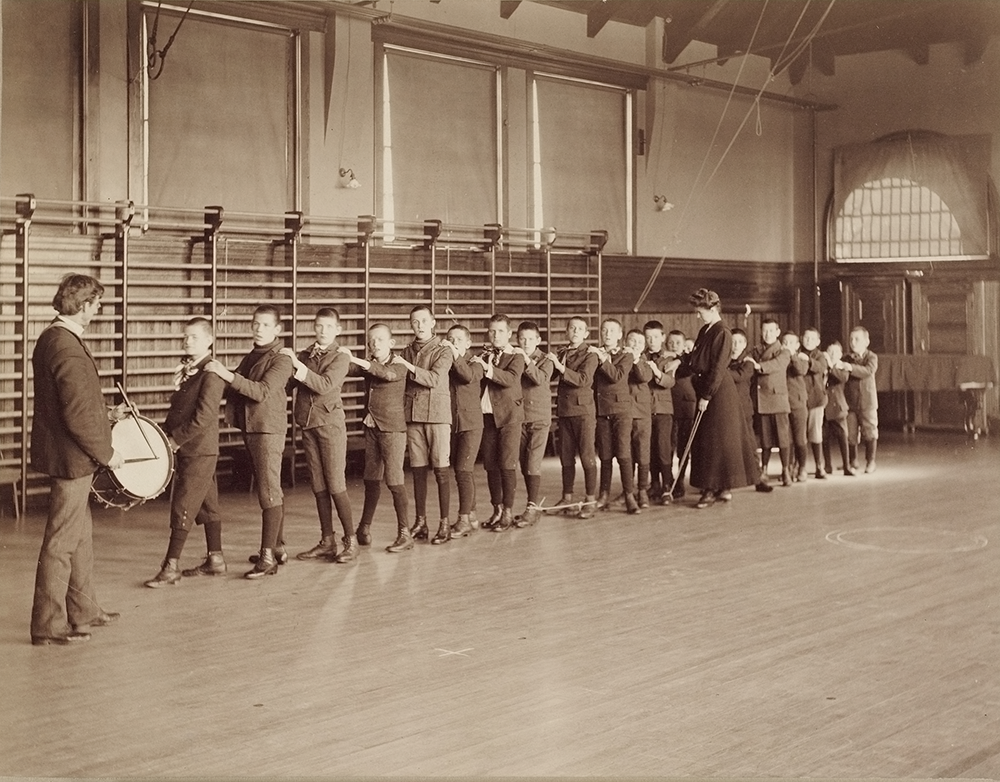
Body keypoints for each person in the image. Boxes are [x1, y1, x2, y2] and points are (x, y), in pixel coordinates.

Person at [30, 273, 124, 645]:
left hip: (67, 454)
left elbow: (76, 404)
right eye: (97, 304)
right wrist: (108, 453)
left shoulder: (55, 338)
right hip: (72, 458)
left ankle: (85, 611)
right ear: (84, 306)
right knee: (61, 542)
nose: (98, 309)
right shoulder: (65, 345)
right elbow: (75, 414)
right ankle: (47, 625)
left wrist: (106, 416)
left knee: (79, 537)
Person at [206, 304, 293, 579]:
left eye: (265, 325)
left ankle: (268, 558)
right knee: (270, 488)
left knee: (268, 491)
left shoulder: (281, 359)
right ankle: (277, 547)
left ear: (278, 330)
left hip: (267, 429)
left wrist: (224, 373)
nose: (258, 329)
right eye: (255, 323)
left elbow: (260, 391)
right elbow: (233, 382)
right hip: (254, 427)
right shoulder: (254, 355)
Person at [144, 317, 228, 587]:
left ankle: (171, 566)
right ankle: (216, 560)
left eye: (193, 337)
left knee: (183, 504)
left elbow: (203, 418)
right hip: (191, 448)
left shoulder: (211, 373)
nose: (187, 341)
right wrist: (162, 434)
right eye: (185, 336)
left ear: (209, 341)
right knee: (207, 504)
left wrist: (175, 441)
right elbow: (179, 411)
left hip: (199, 449)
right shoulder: (188, 370)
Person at [675, 289, 760, 509]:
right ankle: (719, 487)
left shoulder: (723, 332)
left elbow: (718, 368)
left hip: (719, 393)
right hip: (709, 389)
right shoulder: (706, 329)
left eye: (700, 311)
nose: (697, 315)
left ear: (712, 309)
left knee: (717, 442)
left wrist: (706, 396)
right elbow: (697, 359)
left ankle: (713, 490)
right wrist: (679, 361)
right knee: (710, 441)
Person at [282, 308, 355, 564]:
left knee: (336, 484)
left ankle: (350, 541)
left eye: (328, 326)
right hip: (308, 425)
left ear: (338, 329)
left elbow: (324, 385)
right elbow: (288, 383)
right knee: (319, 486)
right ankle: (327, 541)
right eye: (318, 326)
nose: (322, 331)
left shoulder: (340, 357)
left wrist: (296, 365)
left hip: (330, 426)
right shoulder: (305, 354)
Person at [344, 324, 410, 551]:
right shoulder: (368, 365)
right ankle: (364, 527)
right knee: (371, 479)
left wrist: (359, 360)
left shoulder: (399, 365)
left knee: (394, 480)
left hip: (392, 430)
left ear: (391, 343)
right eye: (371, 340)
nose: (375, 344)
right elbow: (347, 369)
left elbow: (387, 374)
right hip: (372, 427)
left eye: (380, 340)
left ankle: (405, 532)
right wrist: (336, 356)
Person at [393, 306, 453, 544]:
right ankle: (421, 522)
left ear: (433, 323)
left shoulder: (443, 350)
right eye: (414, 321)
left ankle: (445, 524)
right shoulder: (407, 350)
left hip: (437, 416)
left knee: (441, 470)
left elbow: (434, 379)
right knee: (418, 470)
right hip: (413, 416)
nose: (419, 325)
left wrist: (407, 367)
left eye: (423, 321)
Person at [474, 314, 525, 533]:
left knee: (506, 464)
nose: (495, 335)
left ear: (509, 334)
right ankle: (496, 509)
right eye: (492, 331)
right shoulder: (483, 354)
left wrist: (487, 369)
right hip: (486, 416)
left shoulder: (517, 356)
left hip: (509, 418)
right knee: (490, 465)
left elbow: (511, 379)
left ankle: (508, 511)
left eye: (500, 331)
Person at [546, 317, 599, 518]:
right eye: (572, 328)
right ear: (566, 331)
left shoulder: (590, 354)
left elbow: (583, 380)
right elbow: (547, 375)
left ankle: (590, 500)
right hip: (565, 411)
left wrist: (560, 367)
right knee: (566, 457)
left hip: (583, 413)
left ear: (586, 334)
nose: (575, 331)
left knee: (586, 456)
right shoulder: (562, 352)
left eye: (580, 329)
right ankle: (567, 498)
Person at [593, 318, 639, 514]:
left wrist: (603, 359)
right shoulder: (594, 355)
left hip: (621, 411)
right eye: (604, 330)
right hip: (602, 411)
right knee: (604, 455)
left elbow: (617, 377)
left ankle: (629, 495)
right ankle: (603, 494)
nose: (607, 334)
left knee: (623, 454)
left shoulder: (626, 355)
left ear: (620, 335)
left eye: (612, 331)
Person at [444, 324, 484, 539]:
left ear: (468, 343)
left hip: (471, 424)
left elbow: (467, 376)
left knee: (463, 470)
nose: (453, 342)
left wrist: (454, 355)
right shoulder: (448, 362)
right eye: (450, 338)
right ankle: (472, 516)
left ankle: (463, 519)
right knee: (462, 471)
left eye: (458, 339)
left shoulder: (475, 362)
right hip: (452, 423)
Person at [513, 321, 553, 528]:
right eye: (522, 339)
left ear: (538, 340)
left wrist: (525, 359)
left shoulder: (546, 359)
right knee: (523, 463)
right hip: (519, 417)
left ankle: (532, 507)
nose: (526, 342)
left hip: (539, 418)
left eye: (530, 339)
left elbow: (539, 378)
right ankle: (533, 505)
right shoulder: (514, 358)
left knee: (532, 463)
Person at [747, 318, 792, 490]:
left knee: (783, 438)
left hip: (778, 400)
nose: (767, 334)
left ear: (778, 332)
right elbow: (747, 361)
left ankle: (785, 470)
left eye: (771, 331)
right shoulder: (756, 350)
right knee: (765, 440)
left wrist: (757, 366)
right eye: (764, 331)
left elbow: (776, 365)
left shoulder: (783, 351)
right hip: (761, 400)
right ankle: (763, 470)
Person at [643, 320, 678, 505]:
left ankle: (667, 487)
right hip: (645, 411)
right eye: (648, 337)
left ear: (663, 337)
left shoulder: (670, 359)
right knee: (649, 449)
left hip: (663, 411)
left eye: (656, 337)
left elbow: (669, 381)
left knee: (664, 448)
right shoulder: (641, 357)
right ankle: (654, 484)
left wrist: (657, 372)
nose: (652, 341)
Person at [838, 326, 879, 473]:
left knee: (870, 431)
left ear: (866, 341)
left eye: (857, 339)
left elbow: (867, 371)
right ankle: (852, 460)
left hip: (868, 402)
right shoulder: (845, 358)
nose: (853, 342)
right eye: (851, 339)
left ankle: (870, 461)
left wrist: (849, 367)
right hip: (850, 402)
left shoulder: (872, 357)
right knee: (850, 432)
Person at [625, 328, 654, 508]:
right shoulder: (619, 359)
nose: (635, 344)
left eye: (639, 342)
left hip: (642, 414)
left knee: (643, 452)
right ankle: (627, 490)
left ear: (644, 347)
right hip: (623, 413)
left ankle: (642, 490)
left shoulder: (646, 363)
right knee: (625, 453)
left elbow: (643, 377)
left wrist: (635, 359)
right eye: (632, 340)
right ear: (625, 342)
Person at [667, 329, 696, 500]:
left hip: (687, 409)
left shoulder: (690, 362)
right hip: (668, 408)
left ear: (684, 345)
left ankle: (680, 481)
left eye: (677, 342)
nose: (673, 345)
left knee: (684, 448)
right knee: (667, 446)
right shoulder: (664, 359)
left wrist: (678, 360)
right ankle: (668, 480)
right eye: (671, 342)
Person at [781, 332, 811, 482]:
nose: (787, 345)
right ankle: (789, 467)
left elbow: (801, 370)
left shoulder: (801, 358)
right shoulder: (779, 356)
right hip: (783, 403)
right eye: (785, 342)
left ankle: (802, 467)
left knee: (800, 438)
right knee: (787, 439)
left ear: (797, 346)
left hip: (798, 403)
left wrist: (792, 356)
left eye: (791, 342)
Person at [801, 327, 829, 479]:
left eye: (812, 339)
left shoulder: (820, 356)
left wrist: (809, 361)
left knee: (815, 433)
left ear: (818, 342)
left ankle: (819, 465)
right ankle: (800, 467)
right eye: (806, 338)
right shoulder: (797, 352)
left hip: (816, 400)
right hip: (799, 400)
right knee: (799, 435)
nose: (809, 341)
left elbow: (821, 367)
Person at [823, 341, 853, 476]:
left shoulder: (843, 367)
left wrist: (831, 365)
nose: (833, 354)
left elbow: (842, 378)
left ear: (841, 354)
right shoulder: (823, 365)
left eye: (836, 352)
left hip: (838, 406)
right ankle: (827, 465)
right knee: (824, 436)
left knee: (842, 436)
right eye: (830, 351)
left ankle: (847, 465)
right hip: (823, 404)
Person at [728, 327, 756, 433]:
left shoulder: (748, 362)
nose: (735, 346)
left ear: (744, 344)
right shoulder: (725, 361)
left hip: (743, 407)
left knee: (747, 438)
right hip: (728, 407)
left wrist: (721, 370)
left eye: (739, 342)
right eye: (732, 342)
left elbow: (740, 376)